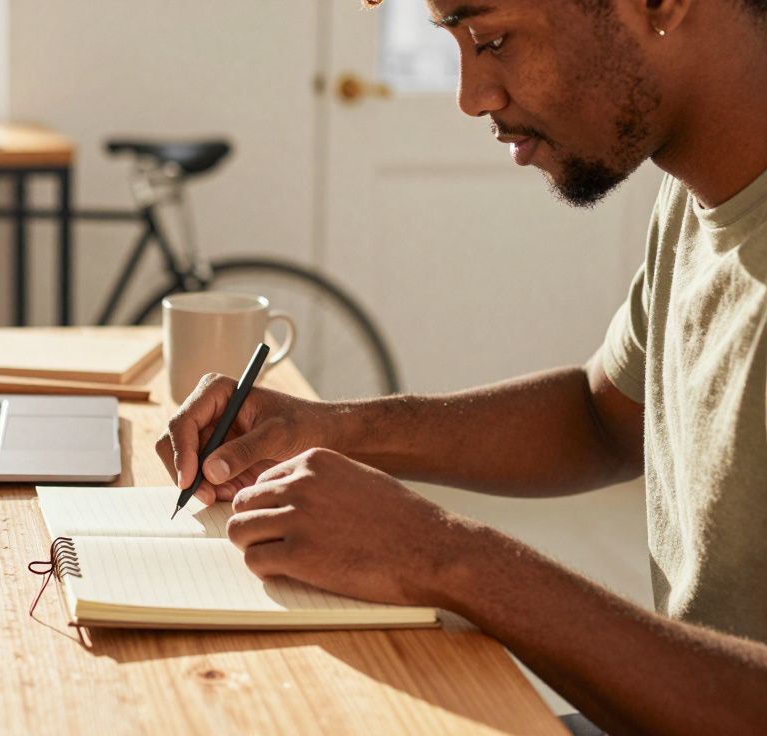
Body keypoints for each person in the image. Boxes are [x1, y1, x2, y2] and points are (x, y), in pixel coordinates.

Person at [156, 1, 767, 733]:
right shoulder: (697, 197)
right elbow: (602, 416)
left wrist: (447, 557)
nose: (472, 95)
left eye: (493, 39)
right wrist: (325, 427)